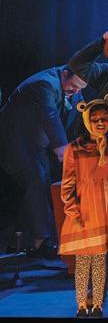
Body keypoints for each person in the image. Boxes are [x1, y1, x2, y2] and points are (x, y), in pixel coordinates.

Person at [0, 64, 89, 255]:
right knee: (36, 182)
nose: (76, 91)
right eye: (74, 86)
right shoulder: (44, 84)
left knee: (40, 186)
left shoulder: (74, 89)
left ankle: (20, 240)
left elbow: (80, 114)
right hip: (15, 144)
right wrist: (62, 149)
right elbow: (50, 116)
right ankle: (41, 241)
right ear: (64, 73)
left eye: (81, 88)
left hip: (37, 146)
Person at [59, 95, 108, 317]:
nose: (100, 123)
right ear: (87, 120)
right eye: (95, 119)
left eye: (105, 118)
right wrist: (72, 210)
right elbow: (68, 183)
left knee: (101, 260)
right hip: (85, 211)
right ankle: (81, 304)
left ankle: (97, 304)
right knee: (83, 260)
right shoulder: (75, 148)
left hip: (106, 210)